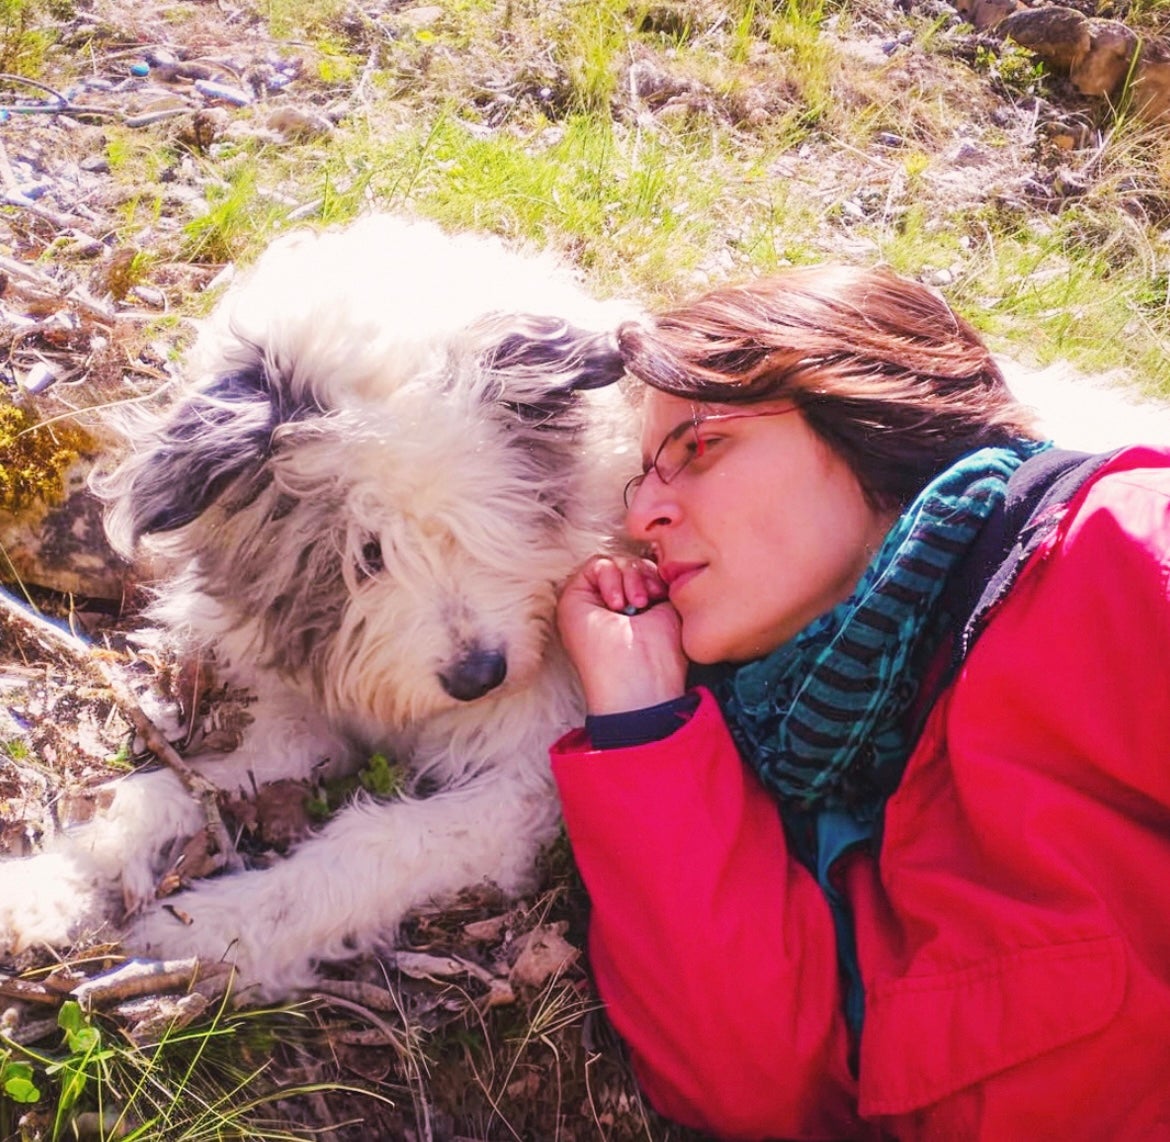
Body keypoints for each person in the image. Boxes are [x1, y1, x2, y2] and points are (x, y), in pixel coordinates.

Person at [551, 264, 1170, 1141]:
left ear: (869, 414)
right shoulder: (821, 767)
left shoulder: (1117, 554)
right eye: (641, 480)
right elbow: (760, 1089)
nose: (645, 512)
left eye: (698, 448)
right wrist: (643, 721)